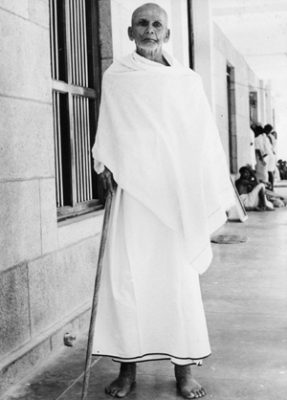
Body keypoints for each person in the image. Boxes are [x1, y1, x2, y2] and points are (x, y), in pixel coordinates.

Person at [91, 3, 234, 398]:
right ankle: (127, 372)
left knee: (177, 280)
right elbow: (109, 128)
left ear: (167, 34)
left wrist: (200, 183)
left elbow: (201, 137)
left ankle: (184, 371)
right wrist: (103, 161)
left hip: (174, 197)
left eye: (157, 24)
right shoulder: (117, 76)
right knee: (127, 281)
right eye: (142, 24)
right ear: (129, 31)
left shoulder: (185, 81)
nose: (150, 30)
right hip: (132, 197)